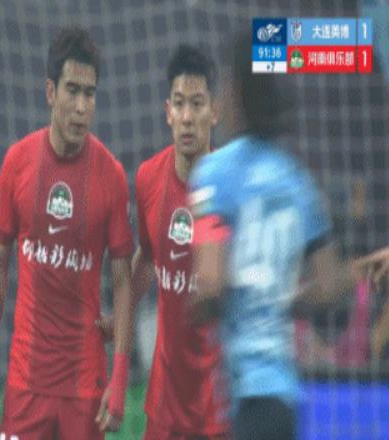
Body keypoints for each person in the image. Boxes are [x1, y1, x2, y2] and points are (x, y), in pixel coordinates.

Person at [188, 34, 356, 440]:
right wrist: (281, 300)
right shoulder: (297, 180)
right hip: (285, 398)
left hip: (245, 393)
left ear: (236, 93)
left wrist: (192, 307)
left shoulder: (215, 173)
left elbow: (211, 285)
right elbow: (331, 286)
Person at [0, 26, 134, 440]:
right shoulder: (17, 163)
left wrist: (119, 377)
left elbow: (122, 280)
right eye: (72, 91)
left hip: (85, 387)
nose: (81, 107)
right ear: (50, 92)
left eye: (90, 94)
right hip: (26, 383)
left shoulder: (112, 176)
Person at [132, 44, 230, 439]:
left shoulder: (230, 187)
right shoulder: (147, 178)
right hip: (165, 403)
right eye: (179, 103)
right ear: (167, 111)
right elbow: (145, 258)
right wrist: (119, 315)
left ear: (215, 111)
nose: (187, 117)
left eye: (197, 103)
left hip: (217, 403)